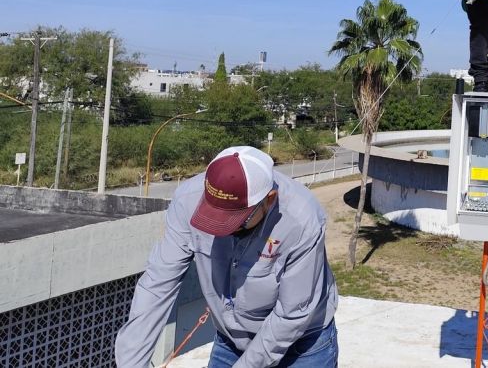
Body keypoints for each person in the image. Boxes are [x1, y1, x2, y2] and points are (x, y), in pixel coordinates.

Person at [115, 146, 338, 368]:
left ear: (269, 200)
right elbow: (157, 284)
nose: (221, 228)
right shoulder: (187, 201)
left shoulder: (301, 219)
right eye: (212, 215)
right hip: (231, 340)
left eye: (235, 219)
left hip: (302, 347)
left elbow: (292, 314)